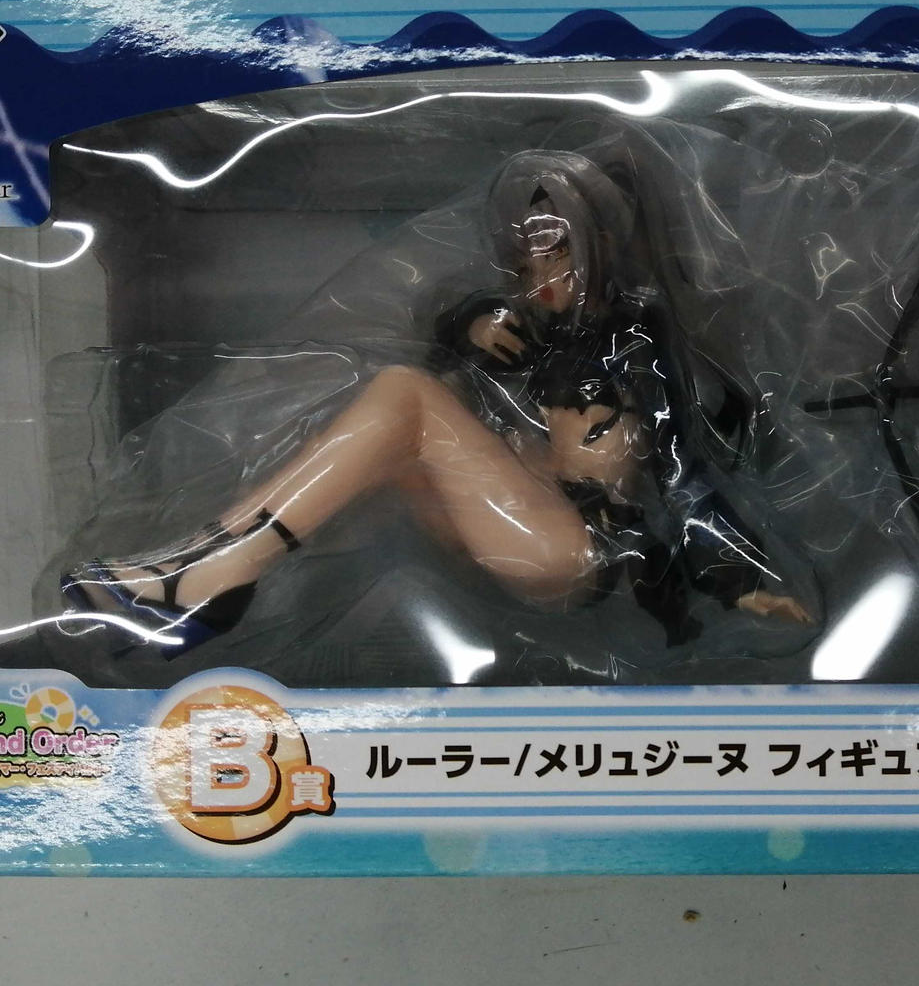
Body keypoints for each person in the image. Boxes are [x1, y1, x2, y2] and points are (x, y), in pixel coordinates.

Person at [61, 147, 813, 657]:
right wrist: (467, 329)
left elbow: (682, 463)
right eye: (526, 260)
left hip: (577, 548)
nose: (539, 276)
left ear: (598, 248)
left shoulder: (637, 333)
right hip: (524, 520)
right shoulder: (538, 338)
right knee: (388, 426)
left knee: (403, 395)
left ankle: (212, 575)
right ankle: (203, 567)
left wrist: (737, 577)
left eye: (556, 254)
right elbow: (466, 392)